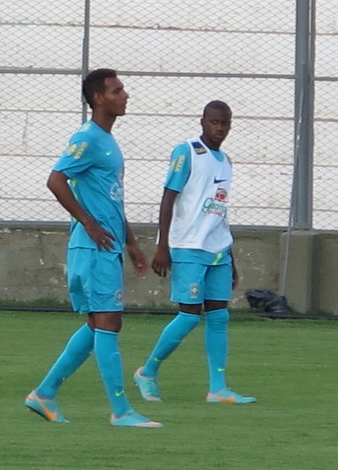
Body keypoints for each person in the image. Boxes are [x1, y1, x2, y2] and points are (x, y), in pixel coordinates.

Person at [24, 69, 163, 428]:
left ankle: (45, 393)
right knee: (108, 322)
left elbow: (112, 200)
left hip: (109, 246)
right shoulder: (86, 138)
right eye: (118, 90)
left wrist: (131, 242)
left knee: (98, 324)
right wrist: (87, 222)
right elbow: (55, 180)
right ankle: (120, 411)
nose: (125, 95)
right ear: (98, 98)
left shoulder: (108, 142)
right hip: (93, 246)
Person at [133, 100, 257, 404]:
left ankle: (218, 388)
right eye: (214, 122)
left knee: (218, 317)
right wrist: (162, 245)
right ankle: (147, 372)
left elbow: (220, 210)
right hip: (188, 246)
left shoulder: (225, 161)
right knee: (189, 317)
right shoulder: (186, 151)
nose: (219, 128)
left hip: (219, 250)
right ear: (202, 122)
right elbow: (168, 198)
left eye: (224, 123)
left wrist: (232, 257)